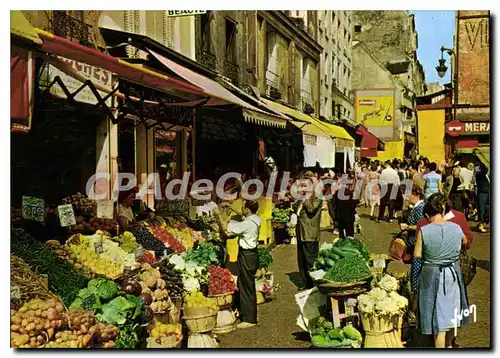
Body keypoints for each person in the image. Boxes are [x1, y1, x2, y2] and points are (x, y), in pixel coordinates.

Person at [412, 195, 470, 348]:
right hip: (452, 274)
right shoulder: (456, 228)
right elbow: (465, 241)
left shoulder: (425, 230)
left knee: (439, 319)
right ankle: (450, 344)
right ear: (442, 211)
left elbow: (417, 254)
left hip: (432, 275)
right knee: (452, 311)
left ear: (427, 215)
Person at [214, 200, 261, 329]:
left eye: (243, 207)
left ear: (247, 210)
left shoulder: (246, 224)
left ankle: (249, 319)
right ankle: (248, 313)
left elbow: (226, 229)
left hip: (246, 255)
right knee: (245, 283)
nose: (241, 209)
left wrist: (218, 215)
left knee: (246, 286)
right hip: (252, 254)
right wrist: (230, 207)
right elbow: (242, 214)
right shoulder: (256, 218)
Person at [293, 172, 322, 289]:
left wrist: (304, 198)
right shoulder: (304, 197)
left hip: (310, 233)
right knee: (302, 260)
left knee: (311, 261)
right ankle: (305, 282)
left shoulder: (317, 197)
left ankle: (315, 284)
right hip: (301, 232)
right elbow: (295, 208)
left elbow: (311, 209)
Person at [335, 173, 359, 238]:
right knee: (350, 236)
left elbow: (335, 205)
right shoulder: (351, 193)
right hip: (349, 217)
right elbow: (354, 204)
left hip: (341, 217)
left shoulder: (337, 193)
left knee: (342, 236)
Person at [476, 163, 490, 233]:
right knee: (482, 209)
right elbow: (485, 169)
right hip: (482, 193)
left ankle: (483, 222)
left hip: (486, 192)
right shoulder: (480, 174)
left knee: (486, 209)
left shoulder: (485, 175)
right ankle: (481, 224)